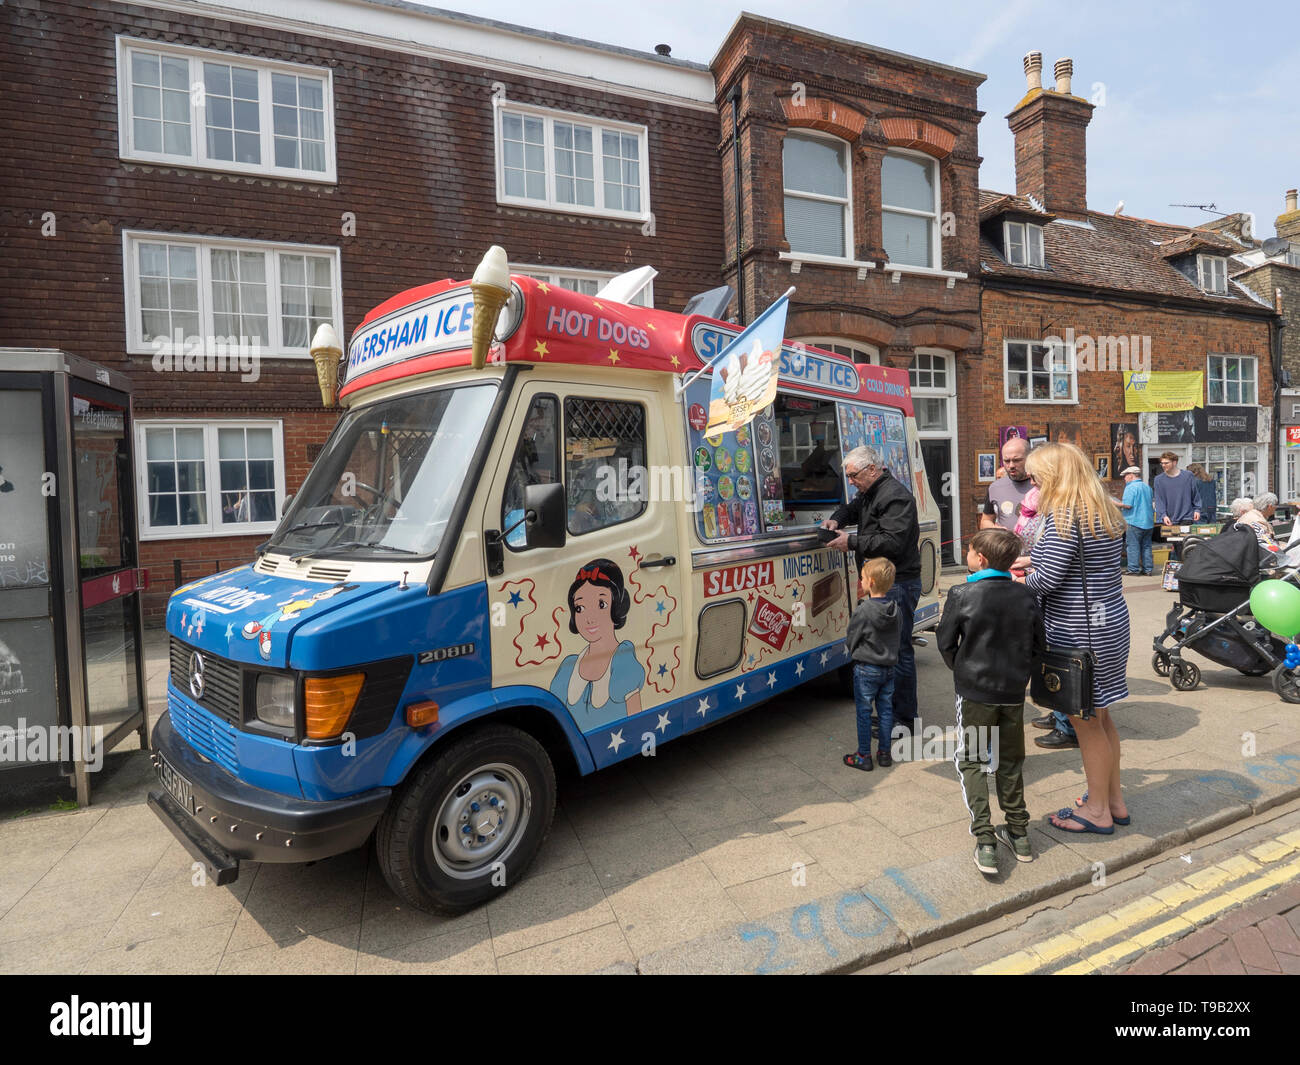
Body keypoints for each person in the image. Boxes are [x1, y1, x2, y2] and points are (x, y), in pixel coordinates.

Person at [1022, 443, 1131, 836]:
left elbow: (1047, 580)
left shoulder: (1062, 516)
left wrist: (1016, 581)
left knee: (1084, 723)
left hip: (1077, 633)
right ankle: (1113, 801)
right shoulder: (1101, 509)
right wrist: (1034, 561)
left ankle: (1098, 810)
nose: (1031, 482)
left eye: (1036, 475)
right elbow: (1075, 563)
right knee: (1101, 717)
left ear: (1052, 476)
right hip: (1109, 625)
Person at [937, 527, 1045, 873]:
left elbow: (944, 642)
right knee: (1010, 761)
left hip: (975, 694)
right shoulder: (1026, 595)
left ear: (979, 558)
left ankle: (985, 839)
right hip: (1013, 693)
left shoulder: (961, 593)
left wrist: (963, 670)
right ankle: (1019, 833)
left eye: (969, 551)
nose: (968, 556)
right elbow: (1038, 645)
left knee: (971, 761)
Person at [823, 445, 922, 728]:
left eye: (853, 476)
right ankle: (893, 714)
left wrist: (851, 542)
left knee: (898, 652)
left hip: (898, 584)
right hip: (884, 583)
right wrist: (837, 519)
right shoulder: (871, 491)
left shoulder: (895, 497)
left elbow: (893, 542)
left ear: (871, 470)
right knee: (887, 653)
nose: (851, 481)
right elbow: (853, 508)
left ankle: (904, 720)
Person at [549, 559, 645, 730]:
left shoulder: (623, 661)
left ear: (618, 606)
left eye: (601, 604)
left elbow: (637, 723)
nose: (589, 618)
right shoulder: (567, 668)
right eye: (580, 608)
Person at [843, 557, 901, 771]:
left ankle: (863, 755)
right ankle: (885, 753)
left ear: (872, 582)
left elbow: (852, 637)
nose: (861, 581)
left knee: (864, 713)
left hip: (866, 668)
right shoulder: (895, 608)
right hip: (889, 669)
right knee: (885, 711)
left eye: (862, 578)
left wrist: (854, 651)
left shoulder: (863, 610)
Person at [980, 437, 1033, 532]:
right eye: (1007, 461)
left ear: (1030, 458)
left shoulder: (1043, 485)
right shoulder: (995, 487)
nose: (1011, 465)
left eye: (1017, 460)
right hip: (1007, 545)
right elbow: (986, 521)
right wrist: (998, 530)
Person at [1118, 466, 1155, 575]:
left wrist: (1113, 503)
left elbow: (1128, 505)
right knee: (1147, 546)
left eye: (1125, 476)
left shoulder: (1130, 487)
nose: (1124, 479)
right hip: (1148, 522)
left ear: (1130, 475)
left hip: (1134, 521)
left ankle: (1133, 569)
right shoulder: (1147, 487)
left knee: (1133, 546)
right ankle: (1148, 569)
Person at [1153, 452, 1197, 525]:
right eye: (1162, 463)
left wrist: (1197, 510)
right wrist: (1163, 515)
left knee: (1186, 536)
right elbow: (1159, 500)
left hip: (1186, 517)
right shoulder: (1158, 479)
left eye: (1166, 463)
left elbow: (1195, 494)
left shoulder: (1188, 476)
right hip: (1168, 519)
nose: (1163, 465)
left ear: (1174, 462)